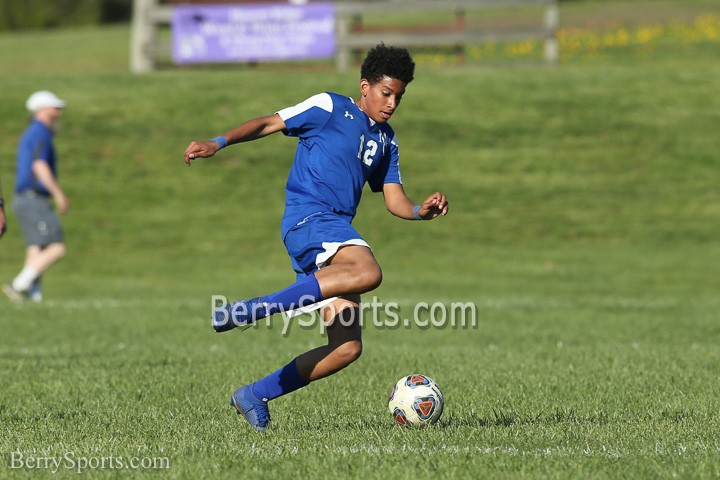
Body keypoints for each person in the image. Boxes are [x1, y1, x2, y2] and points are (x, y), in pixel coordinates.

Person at [184, 44, 448, 431]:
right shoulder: (329, 107)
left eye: (399, 97)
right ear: (365, 86)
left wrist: (418, 211)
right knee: (368, 270)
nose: (392, 103)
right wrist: (218, 142)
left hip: (333, 234)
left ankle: (254, 394)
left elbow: (393, 198)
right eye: (385, 93)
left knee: (346, 348)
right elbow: (269, 123)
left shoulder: (387, 142)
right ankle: (256, 308)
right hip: (308, 218)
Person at [3, 91, 69, 303]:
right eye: (55, 107)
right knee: (56, 247)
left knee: (36, 249)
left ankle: (34, 296)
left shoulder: (36, 132)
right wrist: (58, 194)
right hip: (33, 197)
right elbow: (39, 165)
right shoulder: (39, 133)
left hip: (25, 198)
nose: (59, 111)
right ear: (41, 109)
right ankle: (18, 285)